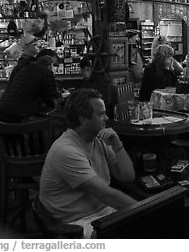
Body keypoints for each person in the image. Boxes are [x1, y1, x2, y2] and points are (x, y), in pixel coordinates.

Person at [39, 88, 136, 238]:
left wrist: (117, 145)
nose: (106, 118)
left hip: (101, 211)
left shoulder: (99, 139)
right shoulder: (66, 150)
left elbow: (127, 176)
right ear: (83, 118)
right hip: (75, 223)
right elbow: (107, 195)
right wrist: (144, 211)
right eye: (101, 114)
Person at [0, 48, 61, 123]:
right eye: (55, 65)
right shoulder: (45, 72)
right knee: (53, 124)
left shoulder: (25, 68)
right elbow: (52, 101)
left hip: (1, 116)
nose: (55, 69)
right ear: (50, 63)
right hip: (18, 119)